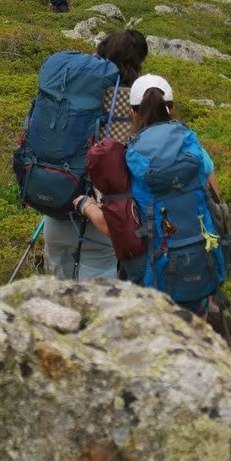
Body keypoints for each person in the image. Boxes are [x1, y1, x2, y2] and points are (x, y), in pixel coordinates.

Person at [74, 72, 229, 315]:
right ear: (172, 108)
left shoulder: (127, 160)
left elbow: (115, 227)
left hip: (153, 284)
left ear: (133, 112)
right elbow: (217, 207)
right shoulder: (195, 151)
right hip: (202, 270)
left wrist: (86, 206)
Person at [41, 30, 147, 283]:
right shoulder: (135, 105)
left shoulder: (72, 96)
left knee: (59, 298)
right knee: (96, 302)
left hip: (57, 207)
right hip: (102, 220)